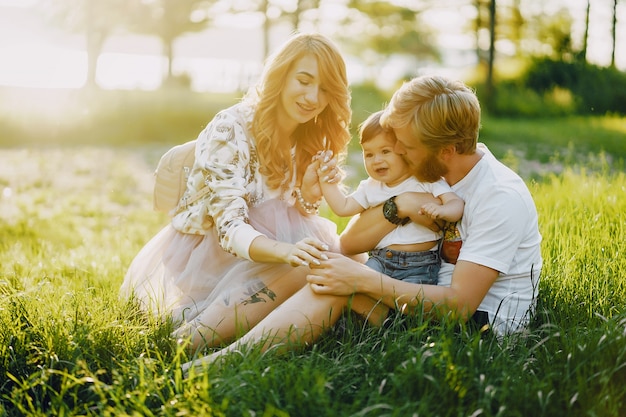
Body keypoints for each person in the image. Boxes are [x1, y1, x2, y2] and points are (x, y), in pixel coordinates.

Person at [181, 74, 543, 373]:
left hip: (472, 332)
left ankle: (220, 365)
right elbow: (349, 244)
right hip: (417, 298)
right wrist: (398, 204)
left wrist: (363, 280)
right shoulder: (429, 176)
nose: (395, 153)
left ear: (446, 151)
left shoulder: (499, 198)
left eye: (405, 147)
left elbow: (459, 305)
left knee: (337, 281)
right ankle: (190, 338)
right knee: (317, 259)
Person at [120, 32, 353, 351]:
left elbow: (287, 213)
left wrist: (309, 195)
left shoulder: (306, 134)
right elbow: (229, 229)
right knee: (308, 267)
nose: (313, 97)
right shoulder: (231, 127)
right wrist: (286, 251)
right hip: (213, 251)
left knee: (348, 259)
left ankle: (270, 333)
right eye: (304, 80)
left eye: (325, 89)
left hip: (268, 248)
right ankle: (190, 340)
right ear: (281, 76)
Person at [319, 110, 464, 285]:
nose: (376, 160)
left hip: (420, 264)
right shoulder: (371, 186)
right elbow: (343, 207)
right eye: (369, 154)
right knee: (356, 289)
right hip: (381, 260)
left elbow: (456, 204)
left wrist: (442, 210)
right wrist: (326, 181)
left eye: (385, 151)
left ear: (403, 151)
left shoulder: (425, 180)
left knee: (409, 304)